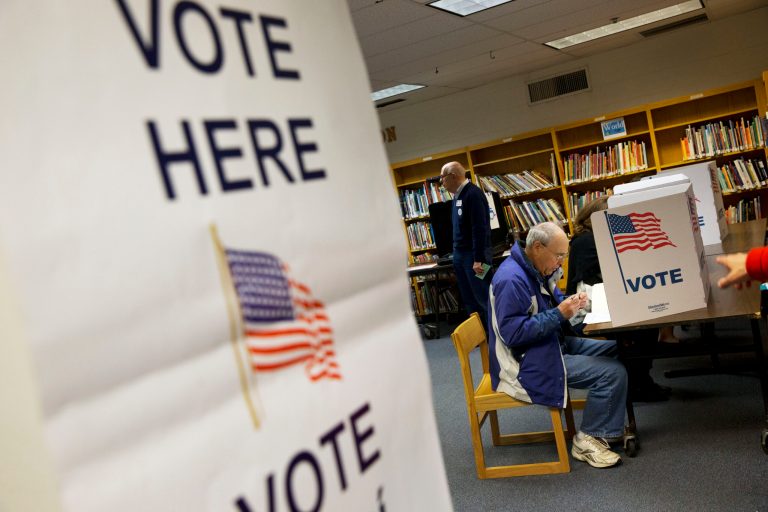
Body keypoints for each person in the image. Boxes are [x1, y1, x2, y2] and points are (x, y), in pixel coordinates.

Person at [488, 221, 627, 468]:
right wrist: (559, 314)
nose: (561, 262)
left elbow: (548, 304)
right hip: (524, 361)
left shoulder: (535, 268)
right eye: (559, 255)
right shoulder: (511, 279)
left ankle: (606, 426)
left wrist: (570, 303)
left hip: (549, 344)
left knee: (620, 349)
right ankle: (588, 439)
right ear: (539, 247)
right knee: (612, 372)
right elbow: (513, 335)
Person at [566, 196, 673, 402]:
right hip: (586, 311)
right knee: (644, 325)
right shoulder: (586, 241)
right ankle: (637, 384)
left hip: (603, 301)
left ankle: (641, 380)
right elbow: (604, 276)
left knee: (649, 320)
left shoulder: (594, 237)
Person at [439, 161, 492, 326]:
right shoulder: (456, 196)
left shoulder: (473, 194)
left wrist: (478, 259)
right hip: (460, 256)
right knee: (469, 299)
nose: (442, 182)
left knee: (483, 297)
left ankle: (493, 338)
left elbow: (480, 229)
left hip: (475, 258)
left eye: (443, 178)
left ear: (453, 176)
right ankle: (479, 335)